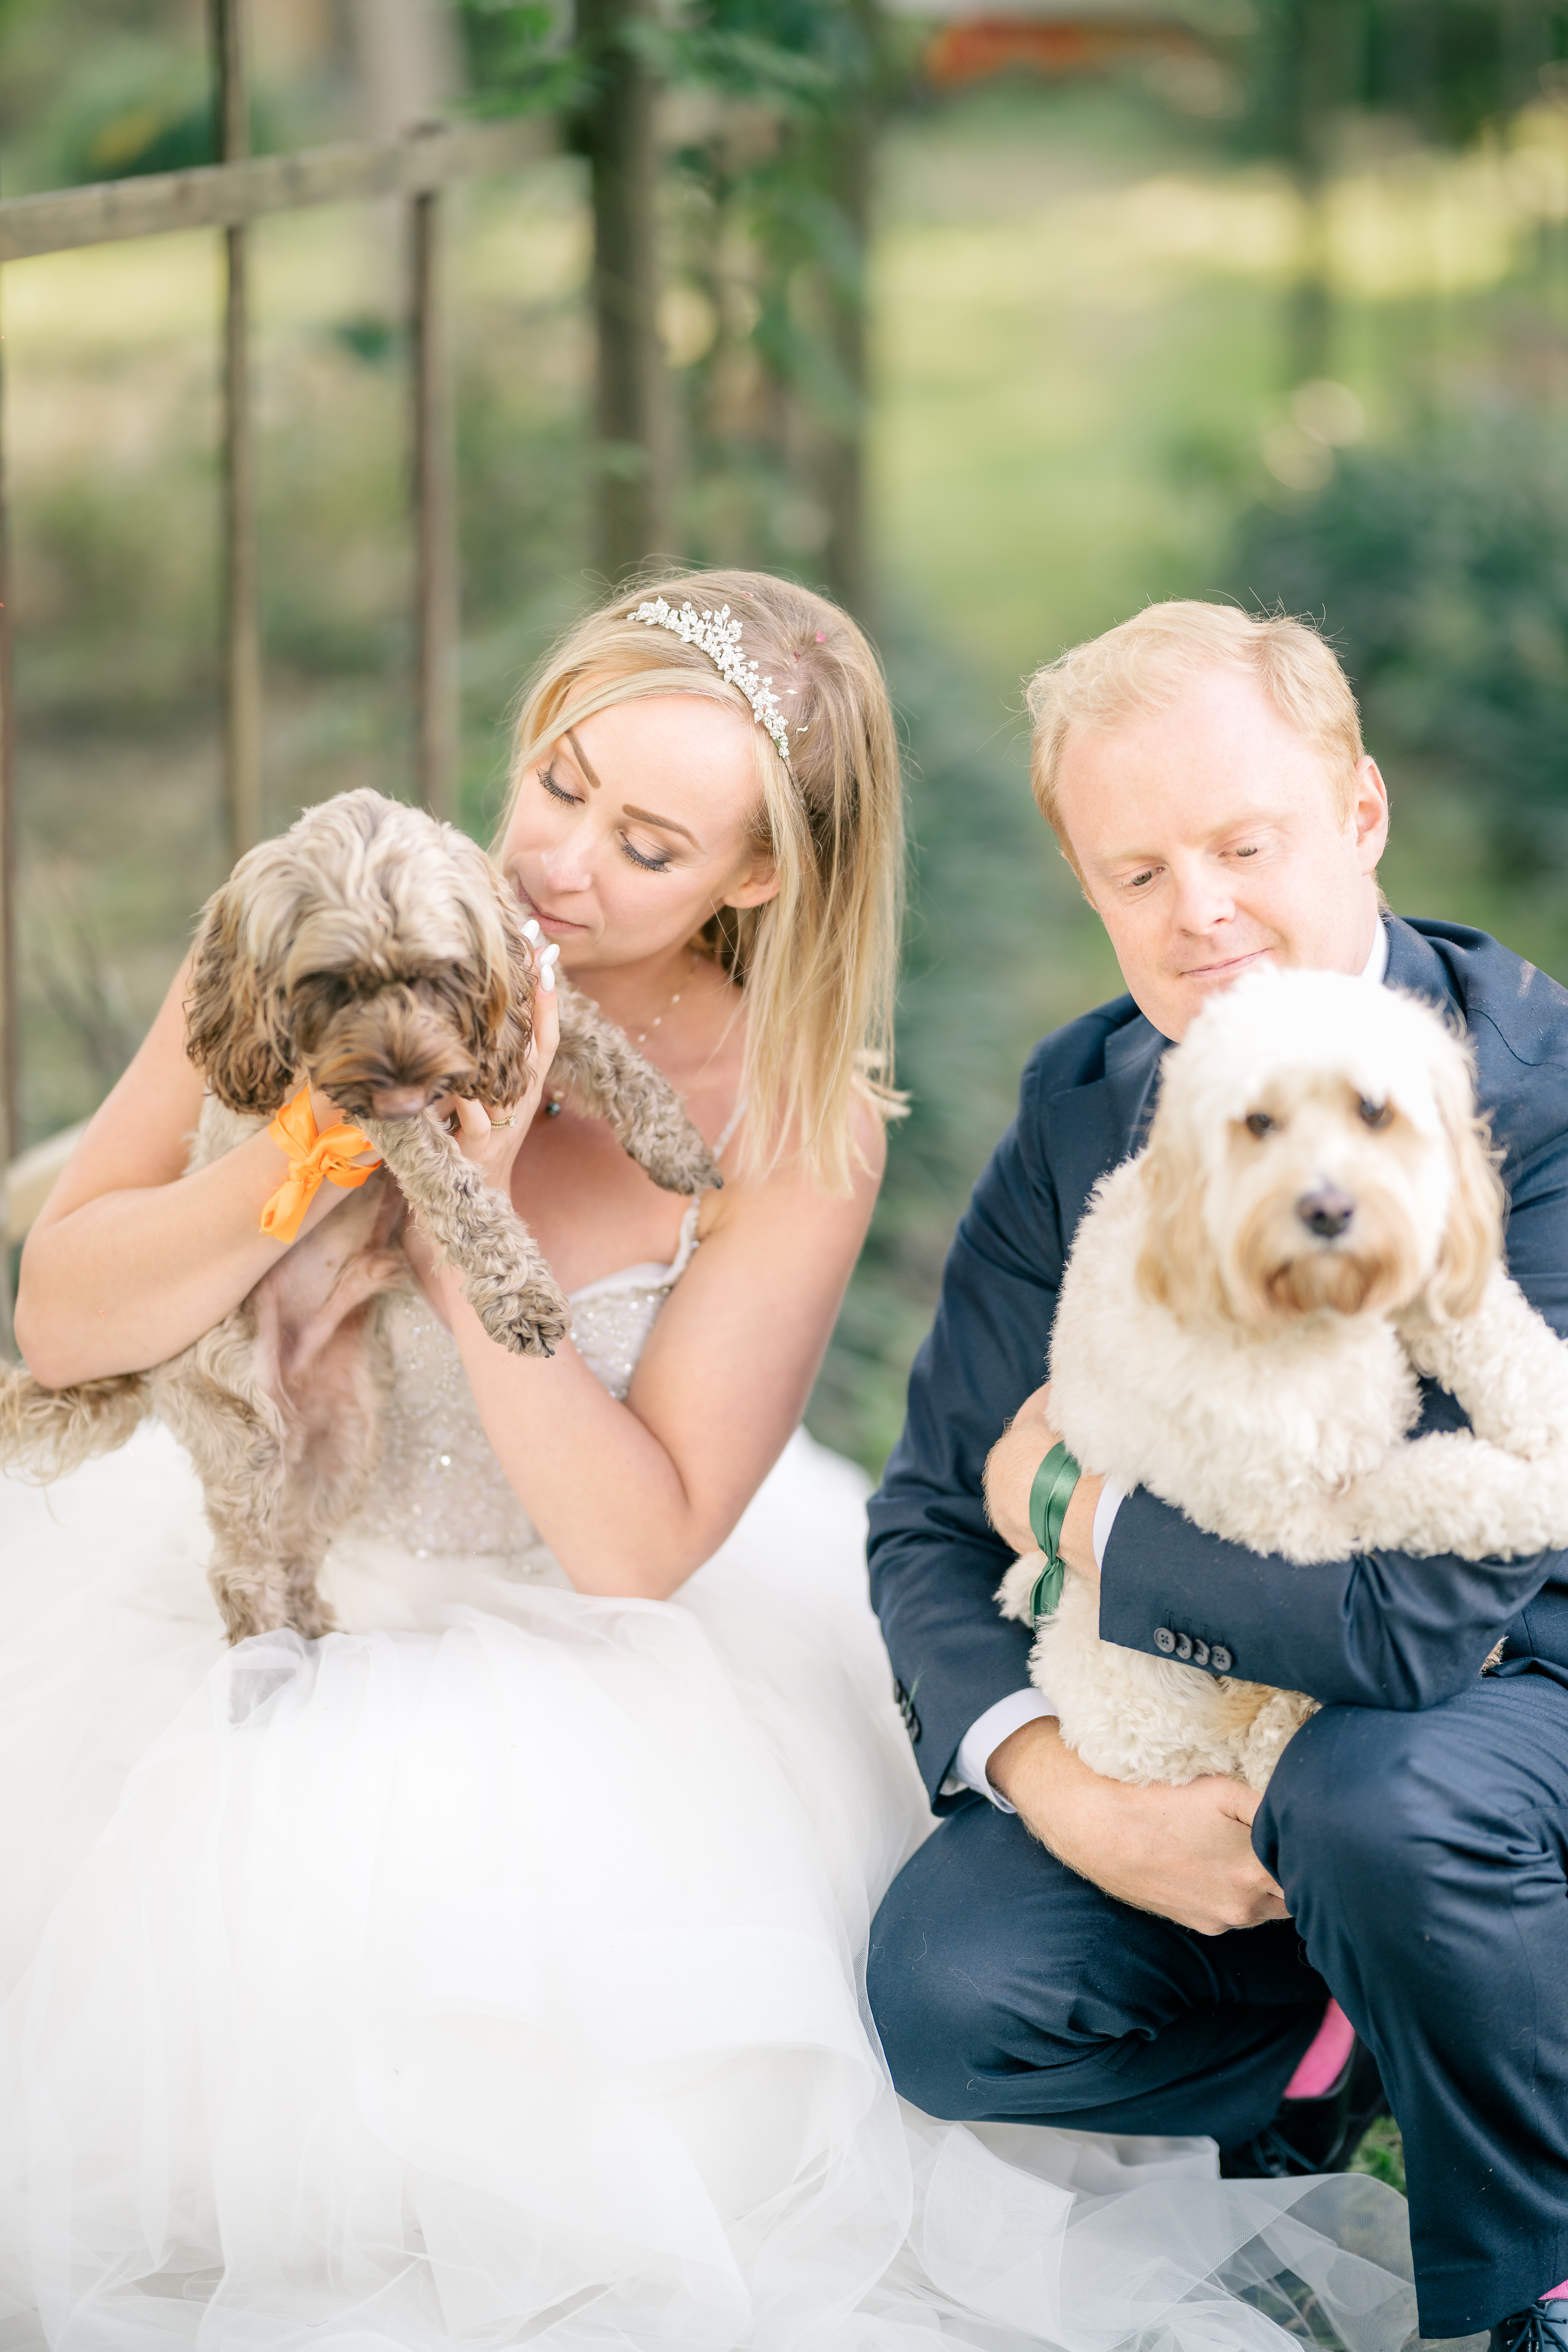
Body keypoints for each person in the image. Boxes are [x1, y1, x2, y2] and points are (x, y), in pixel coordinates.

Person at [0, 573, 1415, 2352]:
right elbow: (61, 1316)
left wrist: (464, 1220)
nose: (562, 861)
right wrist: (327, 1137)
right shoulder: (338, 921)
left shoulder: (792, 1122)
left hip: (570, 1657)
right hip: (238, 1584)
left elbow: (632, 1544)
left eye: (649, 843)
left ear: (754, 880)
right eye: (560, 782)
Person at [866, 598, 1568, 2352]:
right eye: (1138, 872)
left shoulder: (1530, 1102)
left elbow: (1426, 1622)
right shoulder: (1090, 1105)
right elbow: (933, 1512)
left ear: (1363, 815)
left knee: (1374, 1801)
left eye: (1245, 845)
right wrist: (1062, 1787)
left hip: (1503, 1706)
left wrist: (1086, 1517)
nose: (1200, 914)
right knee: (950, 1989)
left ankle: (1533, 2273)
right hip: (1196, 1728)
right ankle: (1353, 2046)